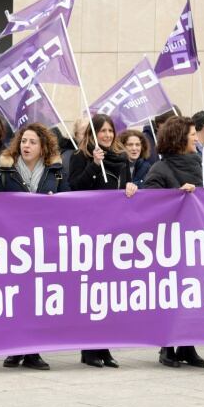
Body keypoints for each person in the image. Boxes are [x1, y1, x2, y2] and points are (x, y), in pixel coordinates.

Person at [0, 123, 68, 371]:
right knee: (15, 296)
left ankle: (33, 350)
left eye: (32, 142)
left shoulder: (55, 170)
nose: (26, 145)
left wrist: (57, 202)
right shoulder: (5, 168)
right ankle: (15, 349)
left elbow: (69, 198)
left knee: (36, 296)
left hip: (42, 242)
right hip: (12, 241)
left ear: (43, 147)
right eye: (23, 141)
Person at [141, 116, 204, 369]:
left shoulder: (203, 165)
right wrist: (177, 196)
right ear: (180, 138)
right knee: (172, 295)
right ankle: (167, 346)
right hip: (171, 245)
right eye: (192, 134)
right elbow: (148, 205)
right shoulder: (160, 170)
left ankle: (188, 345)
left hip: (198, 242)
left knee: (194, 296)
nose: (196, 137)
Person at [68, 113, 133, 369]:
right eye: (102, 131)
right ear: (92, 134)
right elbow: (76, 187)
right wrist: (94, 165)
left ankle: (105, 346)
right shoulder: (79, 158)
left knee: (108, 292)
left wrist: (131, 189)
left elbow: (126, 186)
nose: (106, 135)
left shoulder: (121, 159)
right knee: (90, 291)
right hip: (89, 230)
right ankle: (89, 348)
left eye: (110, 131)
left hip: (113, 232)